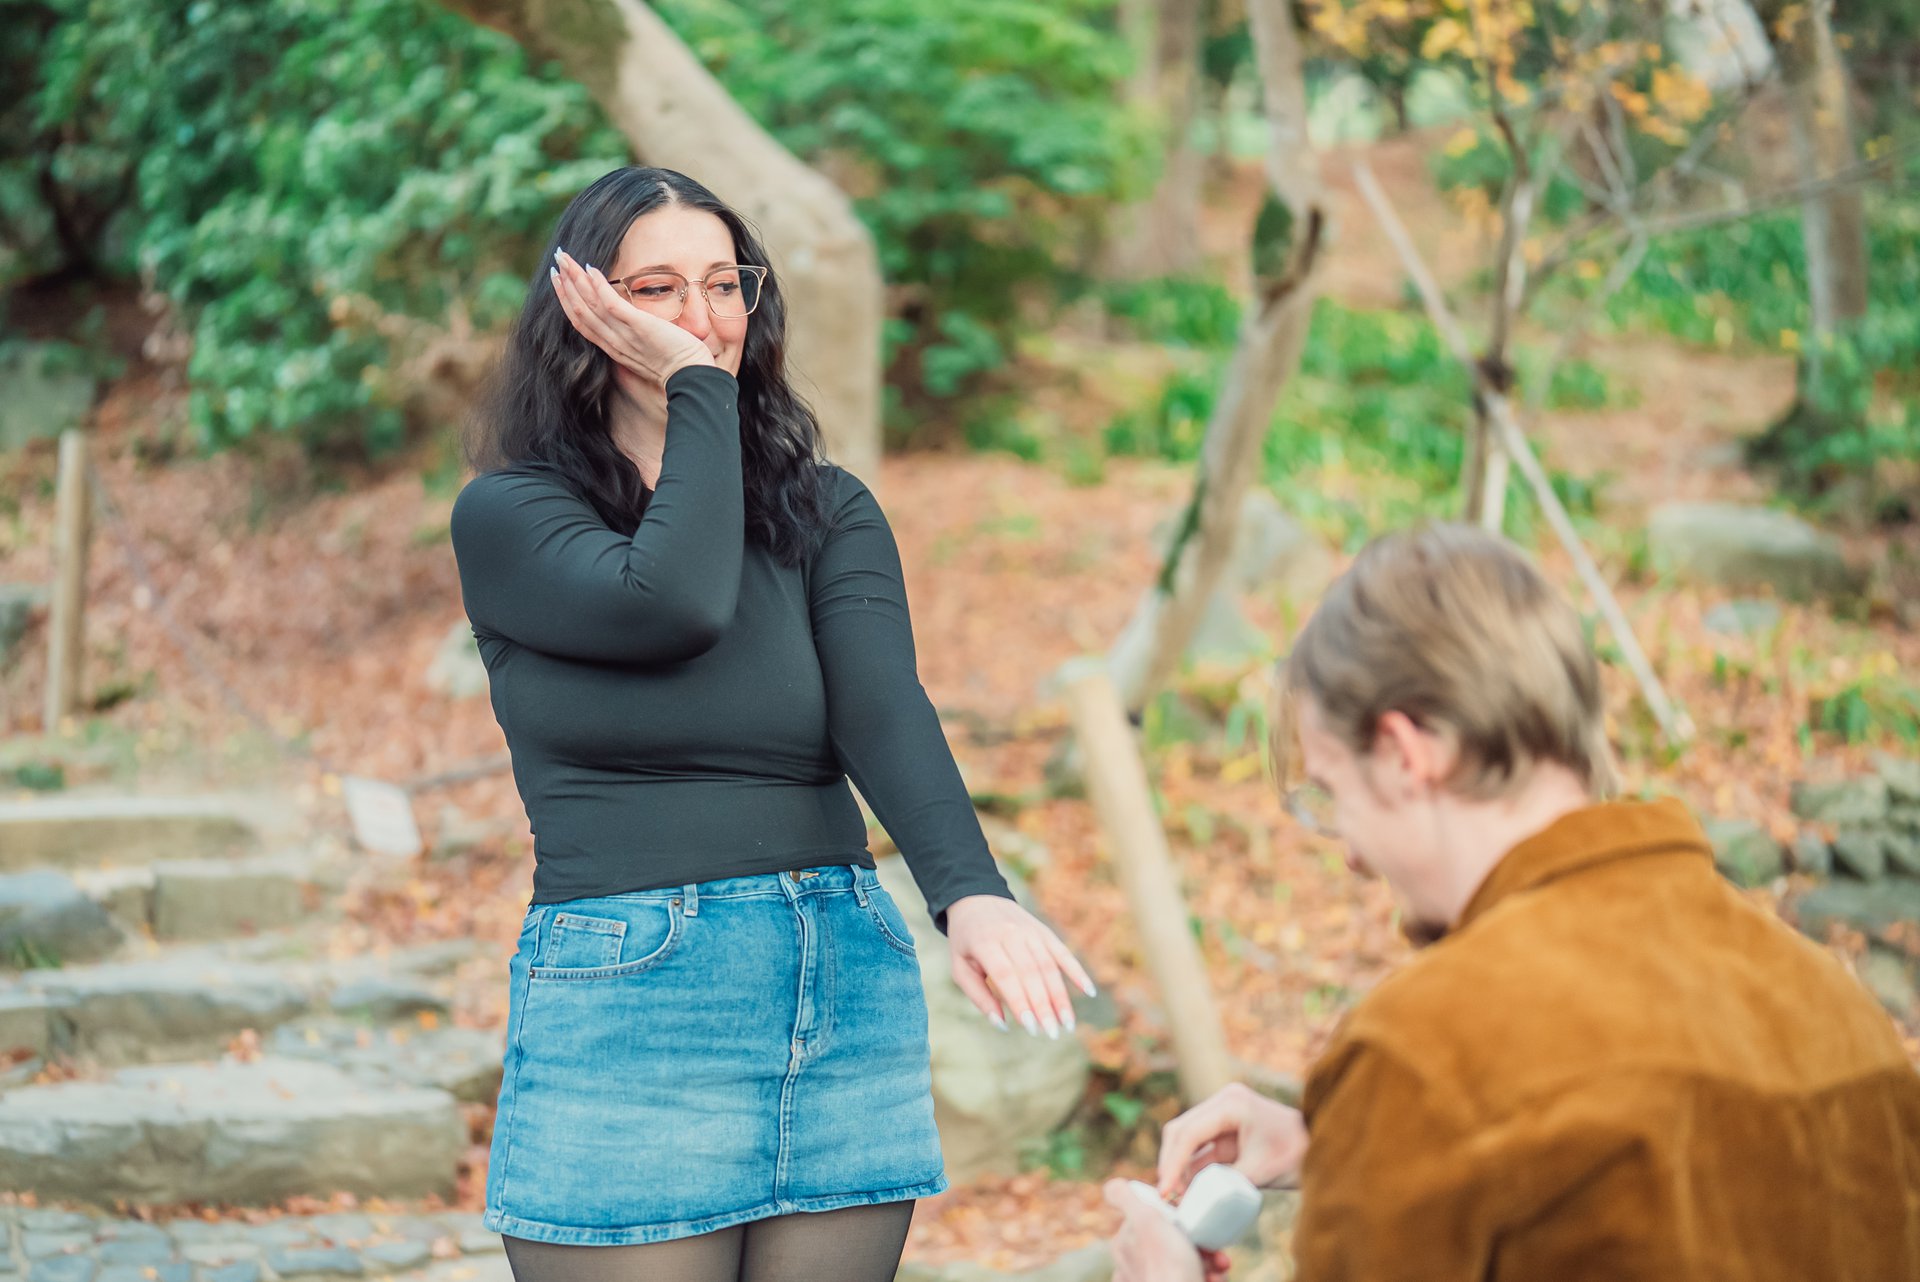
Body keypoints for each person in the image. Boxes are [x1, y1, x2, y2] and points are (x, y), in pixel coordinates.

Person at [452, 166, 1095, 1282]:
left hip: (837, 976)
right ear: (583, 311)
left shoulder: (825, 508)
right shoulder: (512, 515)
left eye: (723, 284)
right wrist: (699, 389)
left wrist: (971, 892)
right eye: (657, 288)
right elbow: (675, 600)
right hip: (635, 998)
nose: (701, 318)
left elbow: (881, 706)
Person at [1104, 523, 1920, 1281]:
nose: (1349, 855)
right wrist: (1339, 1150)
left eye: (1333, 794)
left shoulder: (1422, 1056)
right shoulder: (1836, 1010)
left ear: (1403, 754)